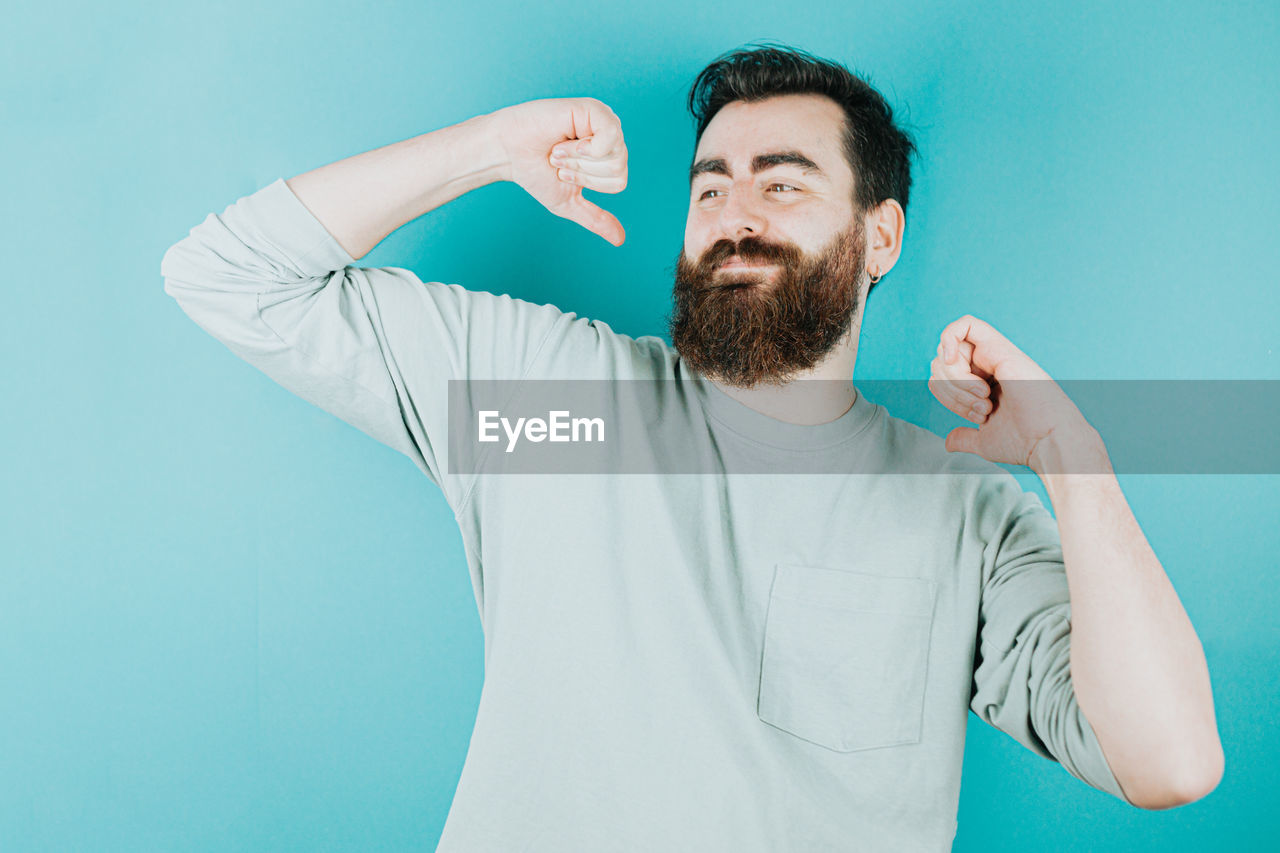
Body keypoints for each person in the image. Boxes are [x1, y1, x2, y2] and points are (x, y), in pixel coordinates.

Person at [161, 44, 1222, 851]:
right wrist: (488, 147)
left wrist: (1071, 462)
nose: (732, 213)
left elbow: (1167, 762)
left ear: (878, 236)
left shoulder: (963, 514)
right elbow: (227, 278)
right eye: (709, 185)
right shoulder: (558, 414)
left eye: (783, 181)